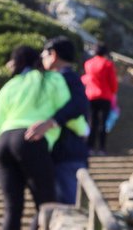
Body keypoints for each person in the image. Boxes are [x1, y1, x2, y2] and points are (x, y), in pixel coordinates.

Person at [0, 46, 71, 230]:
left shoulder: (9, 85)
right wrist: (83, 130)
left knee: (12, 209)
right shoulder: (51, 78)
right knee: (47, 205)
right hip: (31, 139)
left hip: (2, 144)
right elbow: (68, 110)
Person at [24, 36, 90, 205]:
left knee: (67, 206)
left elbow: (79, 104)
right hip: (66, 152)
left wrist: (51, 122)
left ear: (53, 54)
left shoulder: (67, 77)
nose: (42, 58)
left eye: (44, 54)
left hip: (66, 153)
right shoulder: (66, 78)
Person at [82, 43, 118, 155]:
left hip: (91, 96)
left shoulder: (88, 64)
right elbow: (113, 82)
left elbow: (87, 78)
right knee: (103, 123)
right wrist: (113, 92)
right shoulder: (108, 64)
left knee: (92, 122)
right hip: (105, 96)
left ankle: (90, 147)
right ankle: (102, 148)